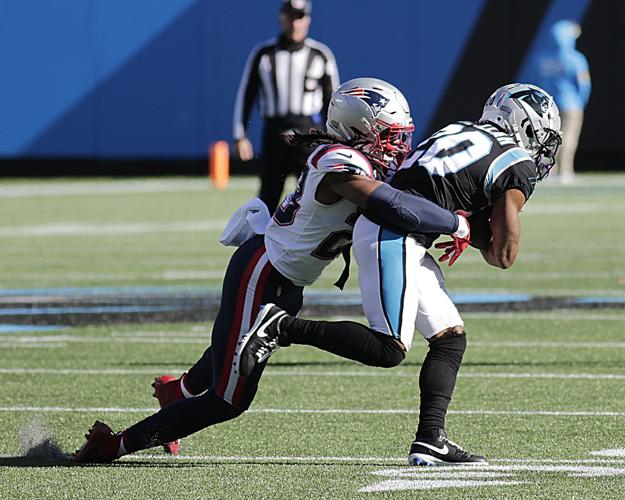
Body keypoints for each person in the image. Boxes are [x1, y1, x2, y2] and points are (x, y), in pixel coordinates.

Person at [73, 77, 473, 463]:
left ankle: (176, 392)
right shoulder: (340, 162)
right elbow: (391, 205)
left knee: (231, 349)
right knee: (229, 400)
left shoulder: (359, 160)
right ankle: (115, 444)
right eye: (389, 136)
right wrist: (455, 224)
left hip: (285, 280)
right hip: (263, 273)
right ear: (358, 131)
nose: (398, 147)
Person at [237, 83, 562, 466]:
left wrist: (464, 225)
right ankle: (281, 326)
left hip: (398, 229)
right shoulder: (517, 162)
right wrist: (471, 229)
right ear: (526, 125)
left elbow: (436, 188)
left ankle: (430, 439)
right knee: (388, 348)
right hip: (393, 232)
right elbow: (504, 254)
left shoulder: (461, 129)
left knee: (449, 338)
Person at [233, 0, 340, 214]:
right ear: (281, 18)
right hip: (275, 131)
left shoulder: (320, 54)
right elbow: (246, 94)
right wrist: (240, 134)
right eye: (290, 16)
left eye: (299, 17)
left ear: (307, 20)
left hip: (307, 132)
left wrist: (335, 139)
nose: (294, 23)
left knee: (313, 198)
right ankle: (261, 246)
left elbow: (333, 102)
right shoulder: (264, 54)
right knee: (267, 198)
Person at [530, 20, 590, 183]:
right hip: (571, 105)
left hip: (547, 106)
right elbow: (584, 85)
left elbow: (534, 82)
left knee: (547, 139)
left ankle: (547, 170)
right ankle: (565, 171)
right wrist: (580, 102)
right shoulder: (576, 59)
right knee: (568, 137)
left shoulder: (539, 57)